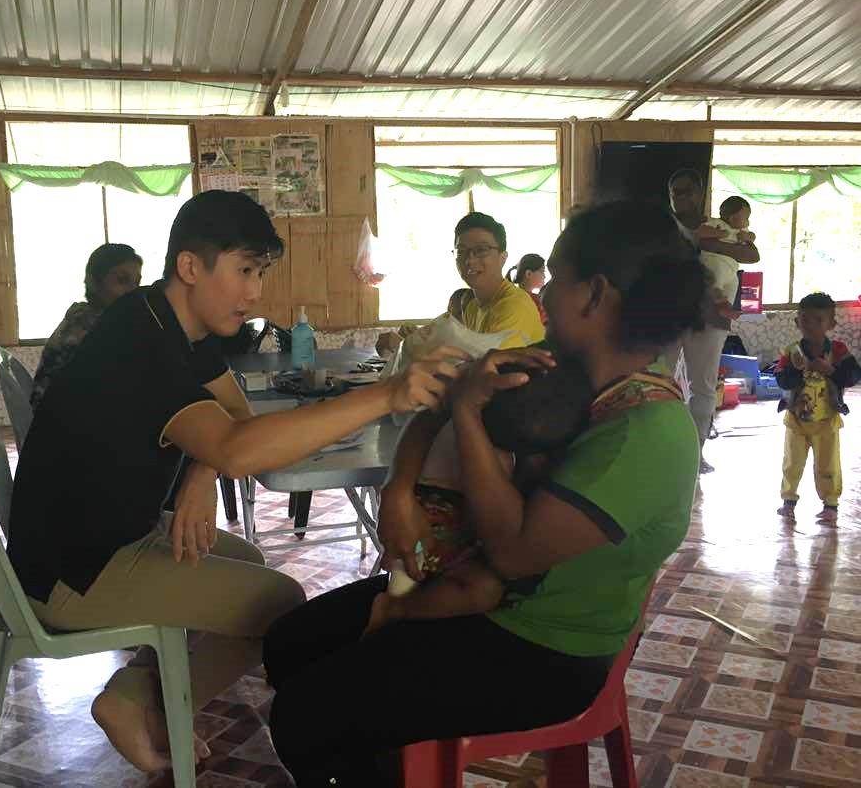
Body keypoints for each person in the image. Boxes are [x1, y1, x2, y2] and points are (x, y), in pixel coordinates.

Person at [6, 191, 463, 774]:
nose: (255, 292)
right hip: (73, 569)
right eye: (244, 271)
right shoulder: (144, 347)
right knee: (280, 605)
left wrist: (203, 465)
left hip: (106, 533)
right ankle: (142, 699)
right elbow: (239, 447)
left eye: (260, 272)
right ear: (191, 267)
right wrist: (386, 395)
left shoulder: (166, 321)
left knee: (246, 557)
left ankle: (141, 691)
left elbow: (236, 420)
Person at [263, 200, 706, 788]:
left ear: (595, 295)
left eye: (558, 279)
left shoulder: (644, 431)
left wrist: (471, 413)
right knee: (289, 644)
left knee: (306, 714)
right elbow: (440, 404)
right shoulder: (556, 371)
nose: (543, 295)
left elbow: (515, 552)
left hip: (548, 650)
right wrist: (399, 489)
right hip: (487, 598)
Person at [371, 358, 594, 633]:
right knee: (410, 574)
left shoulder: (508, 438)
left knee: (481, 590)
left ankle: (397, 608)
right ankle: (391, 609)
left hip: (466, 540)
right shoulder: (463, 418)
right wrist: (398, 492)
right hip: (423, 522)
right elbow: (425, 420)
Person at [666, 168, 760, 473]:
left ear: (700, 192)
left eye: (686, 191)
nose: (681, 197)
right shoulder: (663, 227)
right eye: (675, 192)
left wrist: (710, 245)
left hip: (711, 317)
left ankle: (696, 452)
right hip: (671, 315)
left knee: (704, 386)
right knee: (662, 382)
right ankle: (663, 447)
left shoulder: (717, 226)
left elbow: (752, 255)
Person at [374, 212, 545, 358]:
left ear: (503, 257)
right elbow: (461, 355)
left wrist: (405, 348)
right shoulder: (472, 308)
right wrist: (416, 339)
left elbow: (482, 373)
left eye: (481, 250)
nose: (469, 260)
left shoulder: (514, 306)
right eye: (461, 251)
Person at [773, 292, 860, 524]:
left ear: (831, 324)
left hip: (827, 420)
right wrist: (798, 371)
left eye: (818, 320)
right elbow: (781, 380)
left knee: (828, 463)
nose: (810, 325)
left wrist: (830, 370)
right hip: (796, 421)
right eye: (805, 319)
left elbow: (853, 375)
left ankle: (830, 504)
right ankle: (788, 502)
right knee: (792, 463)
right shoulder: (791, 352)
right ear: (797, 322)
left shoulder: (838, 351)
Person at [30, 243, 143, 411]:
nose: (133, 291)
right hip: (63, 427)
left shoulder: (86, 317)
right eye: (122, 280)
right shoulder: (86, 328)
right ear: (94, 281)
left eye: (137, 283)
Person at [703, 196, 755, 325]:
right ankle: (722, 307)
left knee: (732, 287)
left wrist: (748, 237)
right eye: (746, 218)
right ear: (732, 218)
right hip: (715, 261)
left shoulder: (741, 231)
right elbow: (702, 231)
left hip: (731, 268)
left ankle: (728, 308)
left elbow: (753, 236)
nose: (748, 222)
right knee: (714, 283)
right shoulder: (717, 224)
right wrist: (719, 234)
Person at [506, 252, 548, 324]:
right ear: (528, 274)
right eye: (542, 271)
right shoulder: (535, 300)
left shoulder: (510, 296)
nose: (544, 276)